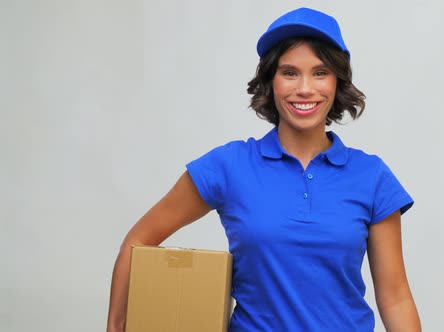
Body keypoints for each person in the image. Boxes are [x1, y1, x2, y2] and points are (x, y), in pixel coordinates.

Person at [107, 7, 421, 332]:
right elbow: (138, 241)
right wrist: (115, 327)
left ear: (337, 81)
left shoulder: (371, 177)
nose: (304, 88)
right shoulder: (229, 166)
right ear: (270, 82)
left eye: (320, 72)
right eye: (289, 72)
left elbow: (395, 297)